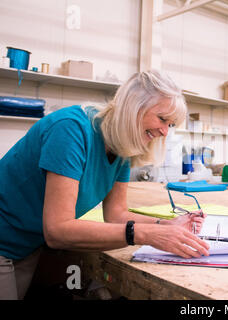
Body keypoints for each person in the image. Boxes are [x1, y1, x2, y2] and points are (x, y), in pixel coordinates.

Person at [0, 70, 210, 300]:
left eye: (170, 125)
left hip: (27, 245)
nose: (165, 132)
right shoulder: (71, 130)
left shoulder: (122, 146)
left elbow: (116, 214)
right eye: (162, 119)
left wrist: (167, 226)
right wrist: (145, 234)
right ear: (134, 106)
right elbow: (57, 230)